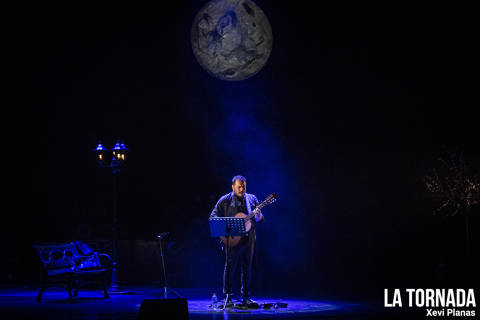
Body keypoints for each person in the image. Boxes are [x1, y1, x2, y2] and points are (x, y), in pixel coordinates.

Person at [210, 175, 264, 307]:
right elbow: (213, 216)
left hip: (249, 237)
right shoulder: (225, 200)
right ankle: (227, 296)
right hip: (232, 238)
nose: (241, 189)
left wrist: (258, 215)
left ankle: (246, 297)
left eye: (244, 186)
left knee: (247, 267)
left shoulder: (252, 199)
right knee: (230, 266)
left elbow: (259, 219)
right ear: (233, 186)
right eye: (239, 186)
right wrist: (224, 231)